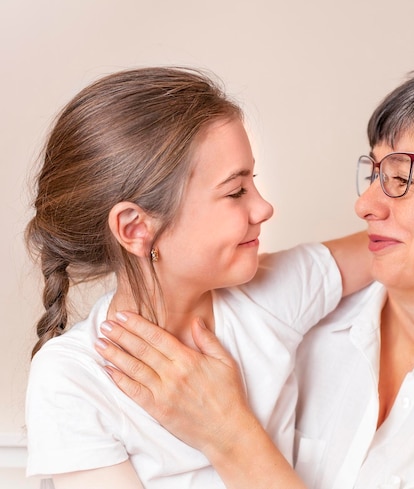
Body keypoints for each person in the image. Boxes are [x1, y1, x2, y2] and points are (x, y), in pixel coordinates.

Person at [95, 54, 414, 488]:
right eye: (374, 170)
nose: (364, 203)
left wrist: (228, 433)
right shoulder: (301, 312)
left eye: (401, 177)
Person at [24, 66, 372, 488]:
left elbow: (404, 243)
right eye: (235, 191)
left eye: (253, 182)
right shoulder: (73, 379)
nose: (264, 208)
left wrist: (227, 428)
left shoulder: (272, 294)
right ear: (135, 228)